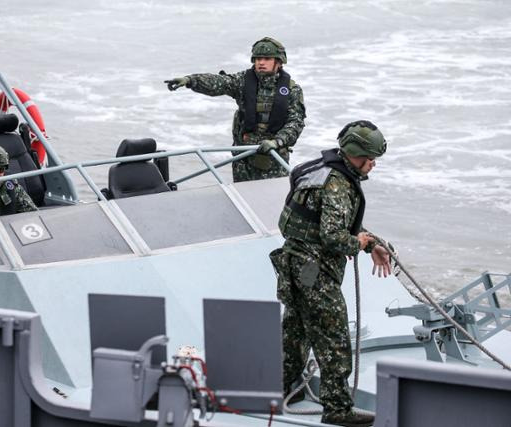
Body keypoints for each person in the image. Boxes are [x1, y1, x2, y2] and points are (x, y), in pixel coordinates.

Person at [270, 120, 391, 427]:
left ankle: (282, 387)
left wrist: (369, 244)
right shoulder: (337, 184)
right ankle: (337, 407)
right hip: (314, 270)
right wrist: (361, 242)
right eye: (371, 159)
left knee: (295, 328)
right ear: (356, 155)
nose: (373, 165)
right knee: (333, 335)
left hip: (294, 264)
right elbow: (335, 236)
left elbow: (318, 219)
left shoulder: (316, 170)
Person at [164, 37, 306, 182]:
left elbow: (296, 122)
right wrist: (191, 80)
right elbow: (219, 82)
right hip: (243, 158)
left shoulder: (291, 90)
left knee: (271, 201)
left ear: (279, 62)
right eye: (257, 59)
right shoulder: (243, 81)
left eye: (267, 58)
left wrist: (278, 142)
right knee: (240, 199)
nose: (261, 62)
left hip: (273, 159)